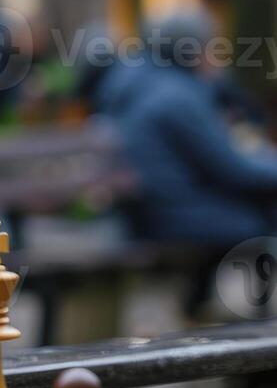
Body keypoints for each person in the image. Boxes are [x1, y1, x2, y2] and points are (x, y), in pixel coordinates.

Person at [93, 13, 277, 247]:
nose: (218, 57)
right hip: (175, 216)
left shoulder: (142, 83)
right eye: (212, 46)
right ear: (191, 52)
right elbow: (232, 168)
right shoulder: (177, 97)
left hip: (150, 213)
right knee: (264, 216)